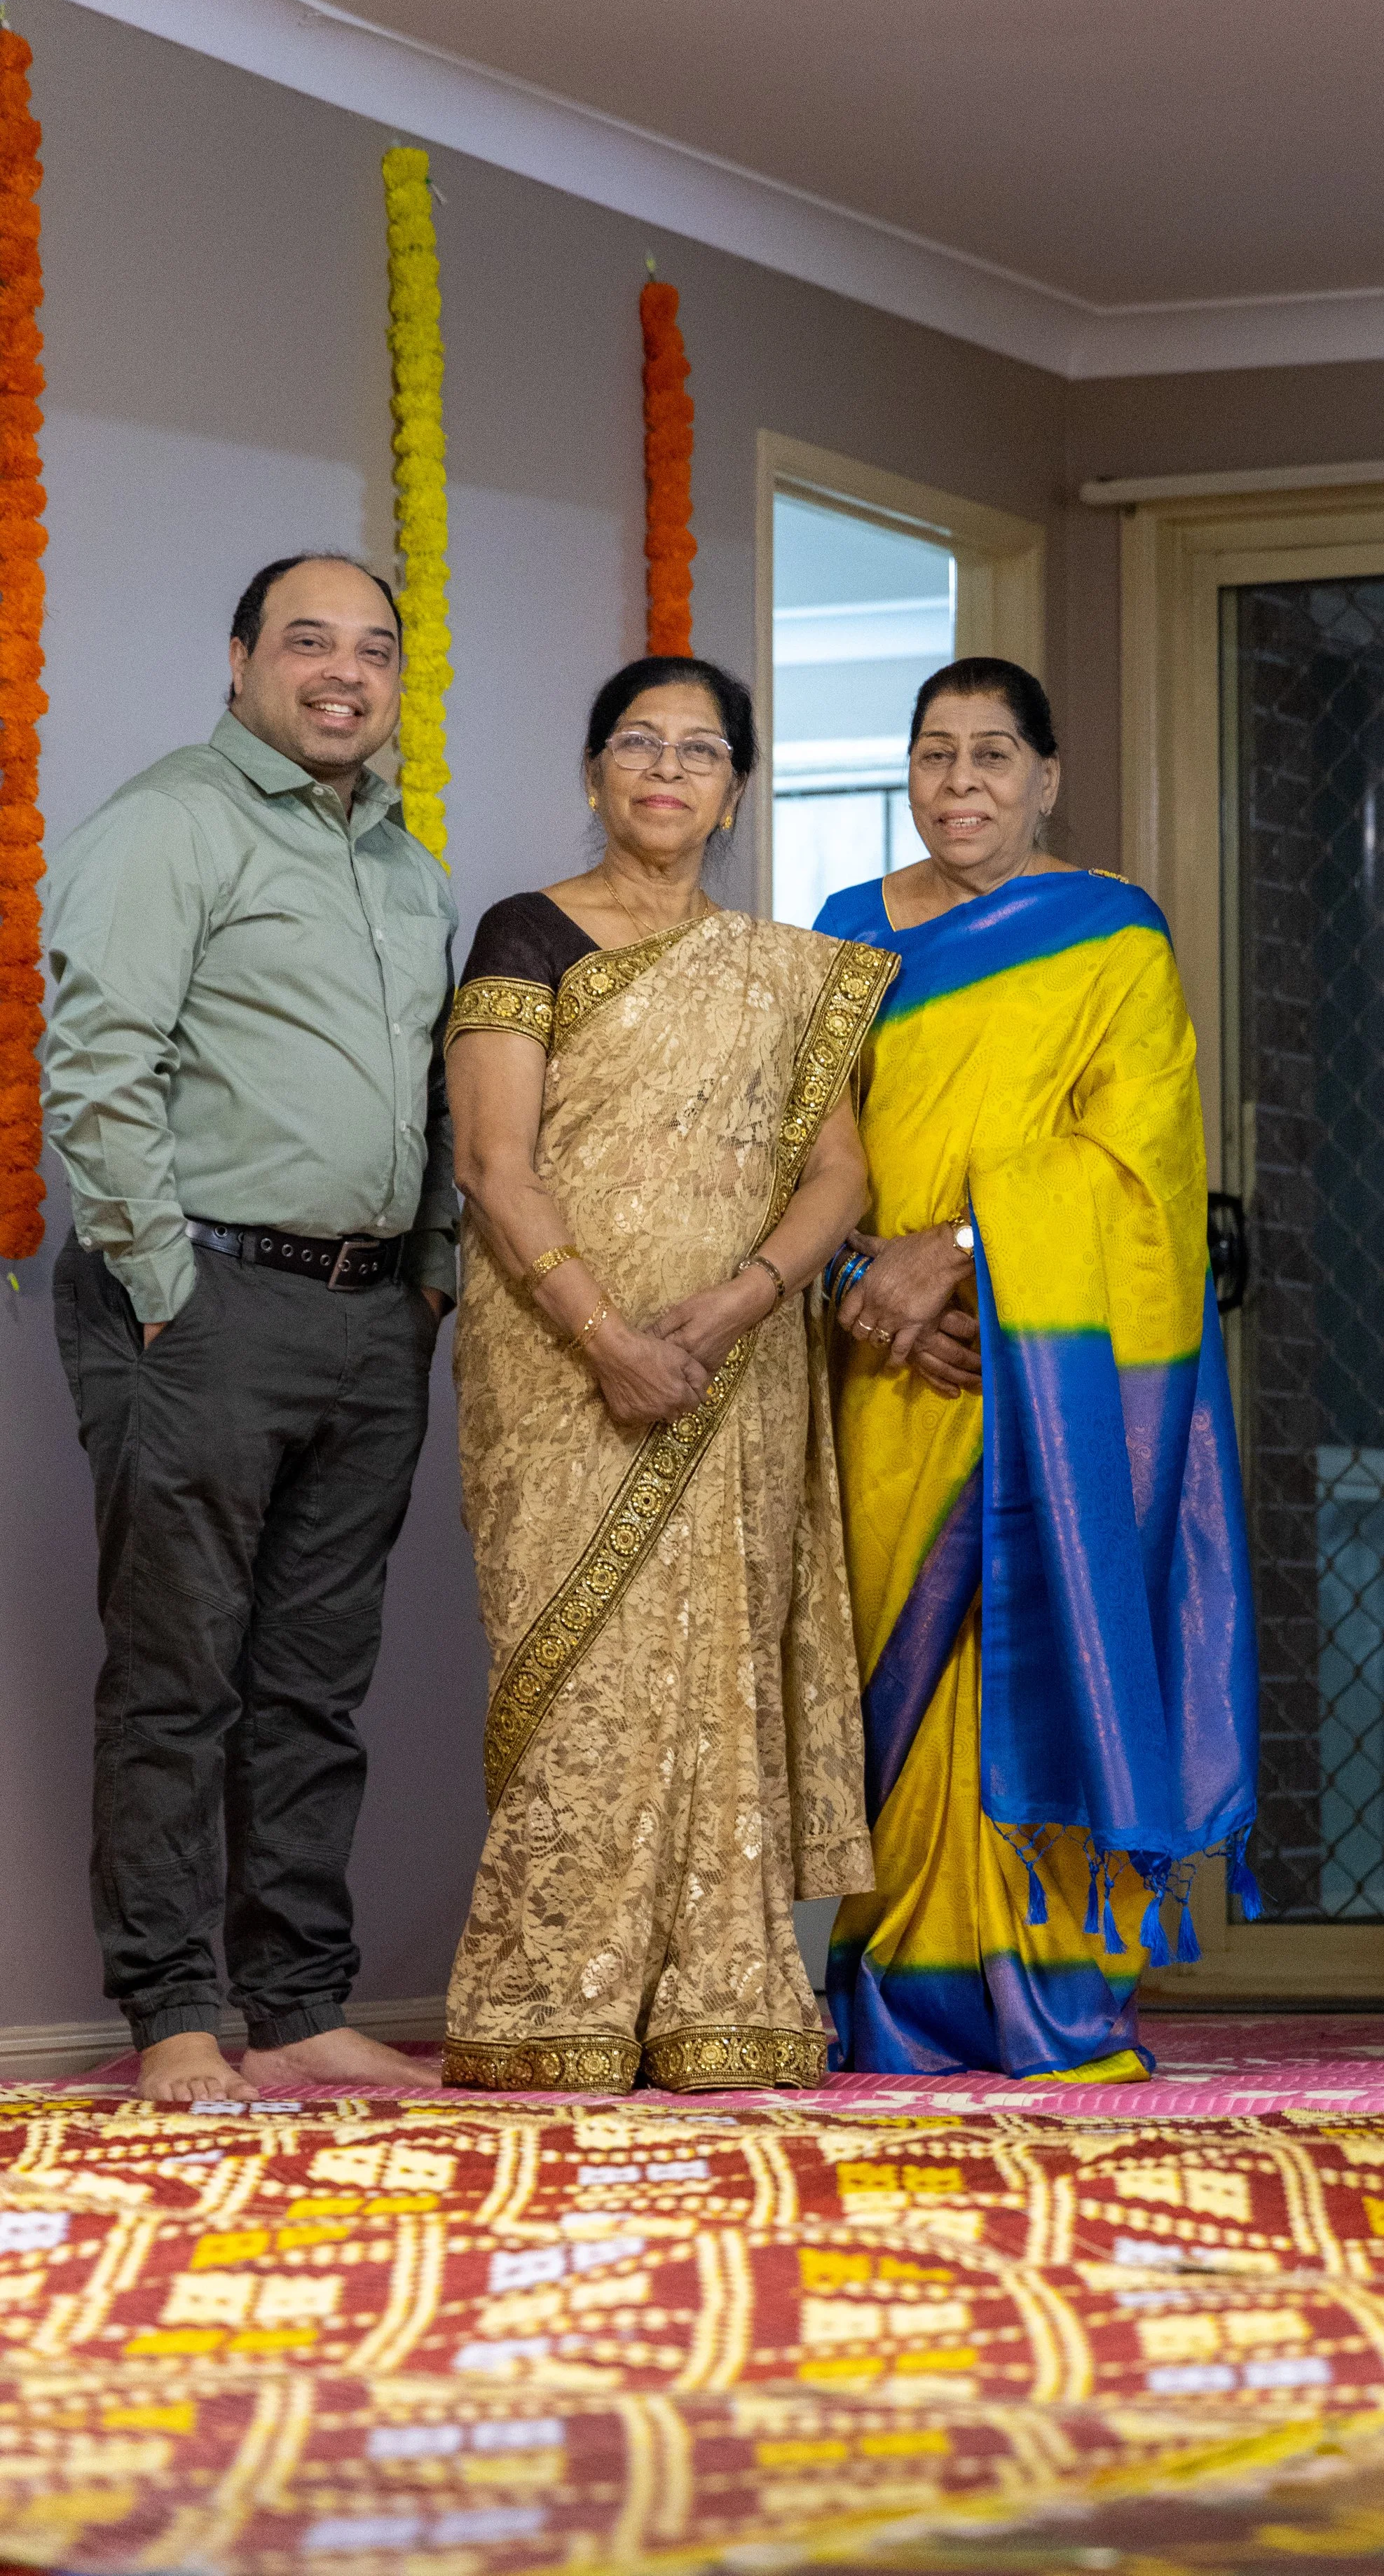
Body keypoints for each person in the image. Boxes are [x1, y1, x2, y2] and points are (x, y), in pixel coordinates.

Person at [441, 655, 893, 2095]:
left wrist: (741, 1301)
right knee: (579, 1670)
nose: (665, 770)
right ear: (593, 773)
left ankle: (722, 1996)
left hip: (735, 1367)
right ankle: (546, 2002)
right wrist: (609, 1338)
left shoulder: (781, 975)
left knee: (721, 1671)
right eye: (636, 742)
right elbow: (491, 1164)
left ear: (735, 793)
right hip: (561, 1362)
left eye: (700, 752)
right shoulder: (527, 931)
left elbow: (840, 1172)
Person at [43, 553, 458, 2107]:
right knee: (178, 1677)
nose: (342, 671)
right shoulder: (169, 823)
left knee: (311, 1683)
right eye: (307, 641)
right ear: (238, 663)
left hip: (369, 1323)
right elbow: (98, 1066)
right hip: (202, 1303)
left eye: (373, 648)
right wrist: (168, 1291)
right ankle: (174, 2015)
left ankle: (292, 2005)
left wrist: (429, 1279)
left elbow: (428, 1097)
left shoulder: (408, 871)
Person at [815, 657, 1259, 2082]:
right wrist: (862, 1283)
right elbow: (793, 1155)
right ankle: (893, 1990)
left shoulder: (1111, 938)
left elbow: (1141, 1167)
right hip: (887, 1363)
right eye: (934, 756)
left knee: (1027, 1644)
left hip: (1040, 1376)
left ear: (1045, 777)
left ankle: (1049, 1998)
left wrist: (955, 1247)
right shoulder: (840, 935)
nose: (960, 785)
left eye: (992, 756)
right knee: (889, 1666)